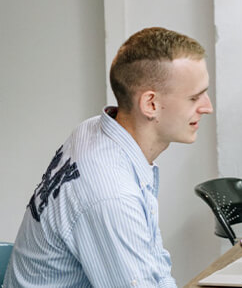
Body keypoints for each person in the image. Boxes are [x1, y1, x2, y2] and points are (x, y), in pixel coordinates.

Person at [4, 27, 214, 287]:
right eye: (195, 97)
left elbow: (152, 268)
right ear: (150, 104)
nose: (207, 107)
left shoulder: (95, 130)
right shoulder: (111, 194)